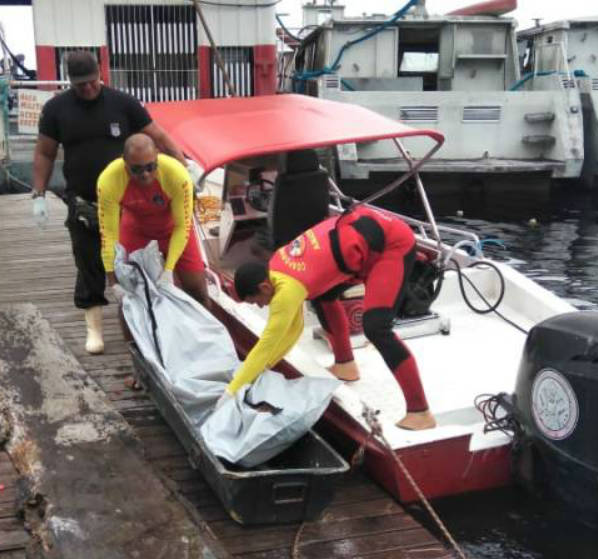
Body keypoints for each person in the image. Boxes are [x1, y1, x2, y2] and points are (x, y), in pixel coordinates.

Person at [225, 205, 437, 431]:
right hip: (361, 239)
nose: (259, 305)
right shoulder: (277, 264)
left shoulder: (287, 292)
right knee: (323, 295)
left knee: (377, 327)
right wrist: (261, 371)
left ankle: (420, 412)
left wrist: (232, 390)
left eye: (255, 300)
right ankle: (345, 365)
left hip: (390, 244)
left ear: (264, 286)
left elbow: (269, 342)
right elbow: (293, 331)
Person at [30, 50, 186, 354]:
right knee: (88, 262)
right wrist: (38, 194)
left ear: (100, 73)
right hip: (84, 199)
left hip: (126, 203)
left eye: (91, 82)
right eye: (79, 85)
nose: (87, 89)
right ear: (70, 82)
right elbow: (45, 152)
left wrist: (184, 167)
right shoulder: (55, 109)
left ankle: (144, 326)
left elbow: (158, 137)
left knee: (130, 260)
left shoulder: (123, 103)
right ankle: (95, 330)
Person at [96, 134, 208, 306]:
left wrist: (168, 269)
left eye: (151, 167)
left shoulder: (177, 174)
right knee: (132, 294)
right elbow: (109, 234)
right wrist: (113, 282)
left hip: (173, 229)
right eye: (137, 169)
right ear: (124, 161)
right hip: (136, 230)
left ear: (157, 155)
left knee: (197, 289)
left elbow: (182, 226)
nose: (145, 175)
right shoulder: (108, 180)